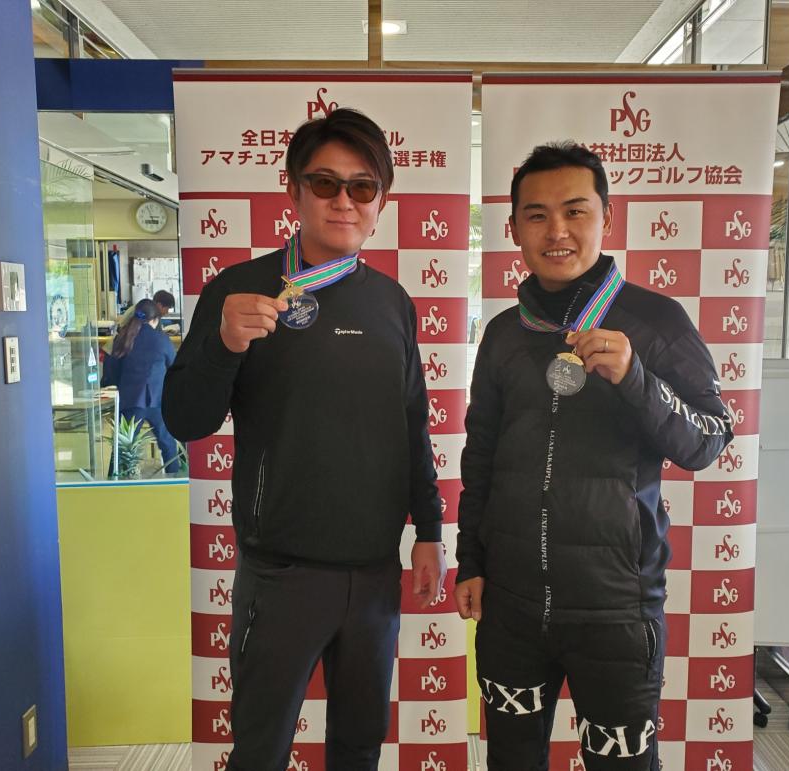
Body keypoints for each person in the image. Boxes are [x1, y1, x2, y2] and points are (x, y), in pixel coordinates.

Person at [162, 108, 446, 771]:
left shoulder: (392, 302)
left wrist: (429, 529)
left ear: (381, 203)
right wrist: (223, 344)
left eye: (362, 186)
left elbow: (412, 422)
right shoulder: (239, 291)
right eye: (325, 183)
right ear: (292, 191)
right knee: (260, 752)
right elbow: (185, 419)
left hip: (374, 573)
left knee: (359, 747)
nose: (344, 201)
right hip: (281, 574)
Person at [454, 143, 733, 771]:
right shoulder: (504, 333)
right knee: (511, 761)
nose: (557, 231)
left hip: (617, 609)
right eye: (537, 215)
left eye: (575, 211)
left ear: (607, 216)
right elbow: (481, 458)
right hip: (511, 606)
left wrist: (637, 378)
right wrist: (471, 559)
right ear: (514, 228)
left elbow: (710, 438)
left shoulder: (656, 321)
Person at [101, 298, 180, 474]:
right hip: (157, 401)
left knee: (123, 447)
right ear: (154, 320)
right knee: (167, 444)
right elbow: (174, 368)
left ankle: (116, 480)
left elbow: (111, 372)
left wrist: (119, 386)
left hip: (130, 401)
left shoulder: (122, 338)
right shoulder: (162, 340)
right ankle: (174, 479)